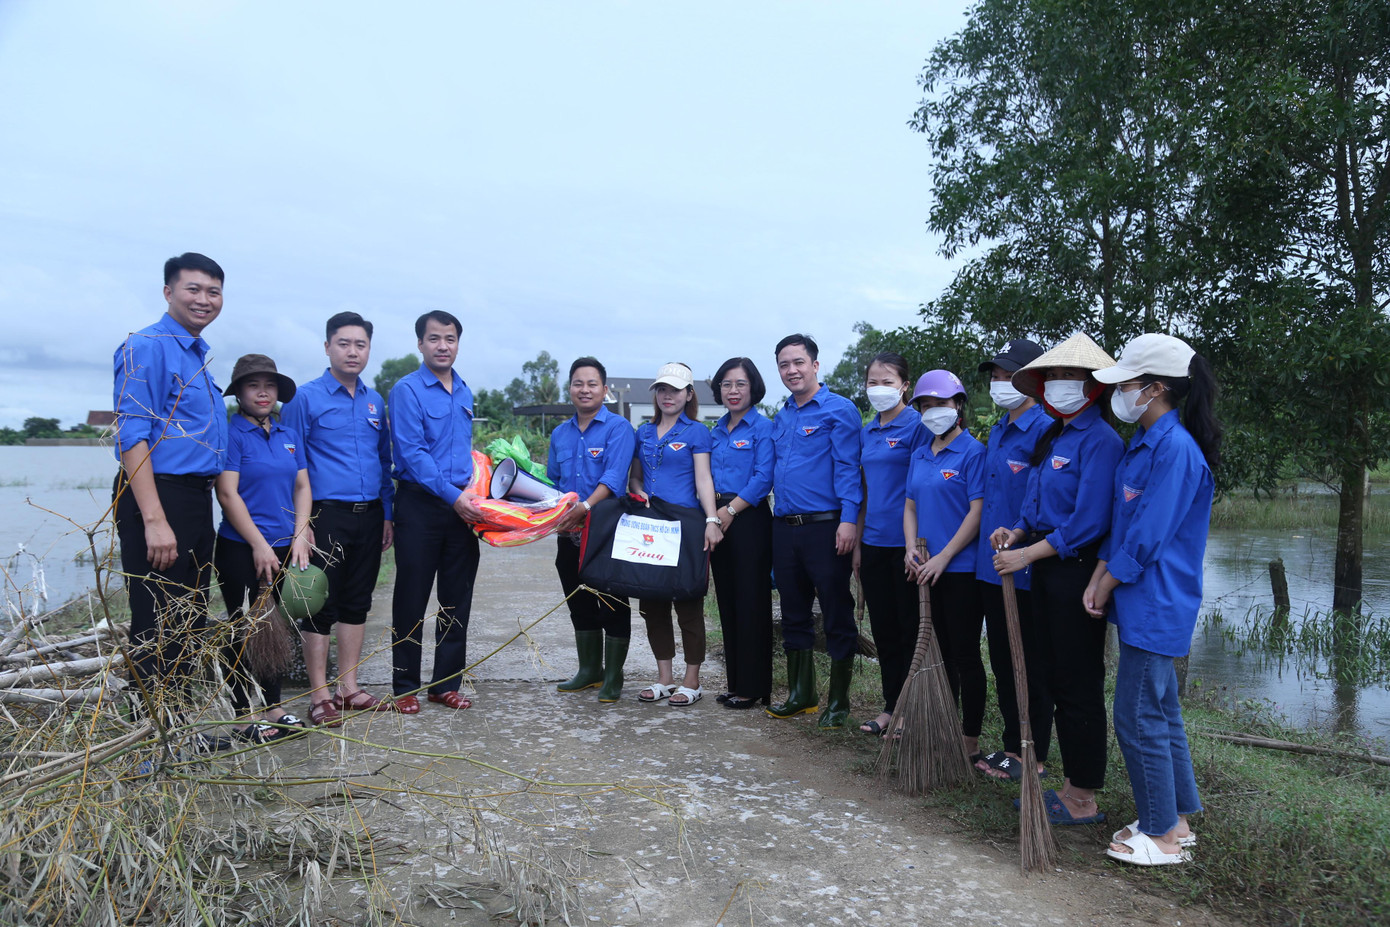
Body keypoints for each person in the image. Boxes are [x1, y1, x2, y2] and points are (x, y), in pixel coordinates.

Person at [1085, 334, 1221, 865]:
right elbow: (1124, 524)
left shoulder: (1175, 450)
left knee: (1136, 715)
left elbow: (1149, 535)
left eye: (1127, 383)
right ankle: (1178, 820)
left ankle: (1162, 837)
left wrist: (1108, 581)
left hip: (1158, 601)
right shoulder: (1144, 444)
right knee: (1160, 710)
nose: (1119, 392)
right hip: (1140, 597)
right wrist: (1101, 575)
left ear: (1155, 388)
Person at [990, 333, 1124, 826]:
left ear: (1093, 386)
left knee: (1077, 681)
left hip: (1075, 571)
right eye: (1055, 377)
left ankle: (1082, 795)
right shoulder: (1055, 434)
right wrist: (1017, 531)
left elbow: (1089, 521)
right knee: (1047, 671)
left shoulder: (1102, 440)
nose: (1062, 385)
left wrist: (1027, 553)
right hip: (1043, 567)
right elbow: (1034, 500)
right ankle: (1062, 782)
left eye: (1072, 376)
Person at [112, 252, 229, 709]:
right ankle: (152, 742)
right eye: (193, 289)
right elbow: (132, 434)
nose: (204, 299)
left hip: (195, 500)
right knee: (155, 621)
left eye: (213, 291)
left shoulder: (197, 355)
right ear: (168, 292)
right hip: (160, 497)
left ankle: (177, 730)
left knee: (189, 619)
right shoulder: (147, 346)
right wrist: (154, 520)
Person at [280, 312, 396, 726]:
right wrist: (301, 523)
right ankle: (320, 694)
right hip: (324, 516)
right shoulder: (304, 398)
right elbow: (291, 464)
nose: (352, 351)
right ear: (327, 346)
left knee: (357, 603)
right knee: (319, 605)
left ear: (368, 349)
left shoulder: (374, 400)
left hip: (369, 516)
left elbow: (384, 459)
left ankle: (350, 688)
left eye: (360, 344)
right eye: (344, 343)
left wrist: (388, 513)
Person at [387, 310, 483, 714]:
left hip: (461, 508)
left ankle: (445, 684)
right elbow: (412, 453)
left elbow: (465, 453)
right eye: (434, 339)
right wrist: (451, 495)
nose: (443, 346)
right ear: (420, 344)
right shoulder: (406, 390)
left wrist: (479, 494)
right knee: (412, 595)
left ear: (458, 343)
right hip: (421, 505)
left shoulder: (464, 391)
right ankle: (405, 686)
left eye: (450, 339)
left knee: (456, 599)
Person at [765, 334, 863, 728]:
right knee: (793, 611)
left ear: (815, 365)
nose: (792, 370)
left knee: (837, 611)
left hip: (827, 527)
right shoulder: (783, 415)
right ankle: (801, 693)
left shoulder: (839, 410)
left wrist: (849, 519)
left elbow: (848, 467)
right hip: (785, 529)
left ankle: (838, 702)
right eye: (784, 365)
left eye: (798, 362)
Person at [213, 355, 311, 740]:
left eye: (269, 385)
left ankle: (274, 707)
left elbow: (302, 486)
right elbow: (227, 492)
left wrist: (301, 532)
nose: (263, 392)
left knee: (276, 628)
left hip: (286, 546)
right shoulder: (232, 434)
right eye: (253, 385)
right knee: (243, 628)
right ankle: (241, 715)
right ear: (239, 392)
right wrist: (258, 544)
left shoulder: (287, 435)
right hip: (241, 548)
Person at [973, 339, 1051, 780]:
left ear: (1031, 380)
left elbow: (1041, 505)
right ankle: (1011, 746)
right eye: (995, 376)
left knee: (1029, 662)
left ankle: (1033, 753)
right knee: (1002, 659)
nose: (999, 383)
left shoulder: (1044, 430)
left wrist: (1022, 550)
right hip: (991, 567)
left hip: (1026, 568)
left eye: (1009, 375)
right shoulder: (1000, 428)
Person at [902, 370, 986, 759]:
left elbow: (977, 511)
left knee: (964, 653)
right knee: (936, 654)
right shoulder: (920, 453)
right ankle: (941, 723)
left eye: (942, 404)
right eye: (926, 405)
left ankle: (969, 739)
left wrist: (945, 556)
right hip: (923, 568)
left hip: (960, 570)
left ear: (958, 406)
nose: (934, 411)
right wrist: (910, 548)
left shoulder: (973, 452)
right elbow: (910, 505)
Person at [629, 362, 722, 707]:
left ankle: (692, 681)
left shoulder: (697, 432)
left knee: (687, 604)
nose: (668, 396)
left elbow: (703, 479)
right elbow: (635, 477)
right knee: (652, 604)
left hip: (685, 526)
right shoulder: (642, 432)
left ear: (688, 395)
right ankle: (665, 678)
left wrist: (712, 519)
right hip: (650, 526)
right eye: (662, 390)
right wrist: (638, 491)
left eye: (675, 390)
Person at [547, 356, 637, 702]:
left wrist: (585, 507)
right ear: (569, 388)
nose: (584, 390)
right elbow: (553, 480)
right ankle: (589, 671)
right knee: (579, 601)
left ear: (605, 390)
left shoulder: (618, 429)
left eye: (592, 384)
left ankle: (613, 675)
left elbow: (614, 478)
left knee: (612, 603)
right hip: (568, 535)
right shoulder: (560, 433)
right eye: (578, 383)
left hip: (606, 534)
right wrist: (550, 515)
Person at [853, 353, 928, 735]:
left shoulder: (918, 426)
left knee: (909, 630)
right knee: (883, 631)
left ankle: (912, 711)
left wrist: (914, 545)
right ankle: (890, 706)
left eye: (887, 381)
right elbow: (865, 491)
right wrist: (858, 543)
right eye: (872, 382)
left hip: (908, 548)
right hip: (874, 542)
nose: (878, 388)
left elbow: (921, 489)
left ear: (905, 386)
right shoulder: (867, 431)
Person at [709, 357, 775, 710]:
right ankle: (736, 683)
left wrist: (731, 510)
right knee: (729, 602)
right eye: (726, 384)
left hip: (747, 519)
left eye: (740, 384)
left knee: (751, 602)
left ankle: (754, 687)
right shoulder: (715, 430)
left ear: (753, 389)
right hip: (717, 520)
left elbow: (764, 477)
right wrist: (714, 517)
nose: (733, 391)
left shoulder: (763, 428)